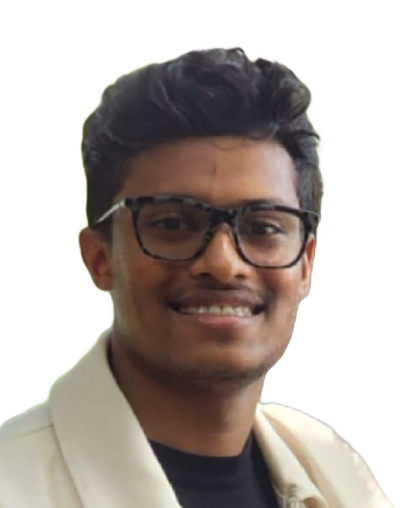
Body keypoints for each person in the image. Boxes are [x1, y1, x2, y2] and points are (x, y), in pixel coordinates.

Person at [0, 46, 396, 508]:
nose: (224, 264)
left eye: (263, 227)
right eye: (173, 223)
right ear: (99, 258)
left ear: (306, 264)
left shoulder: (337, 472)